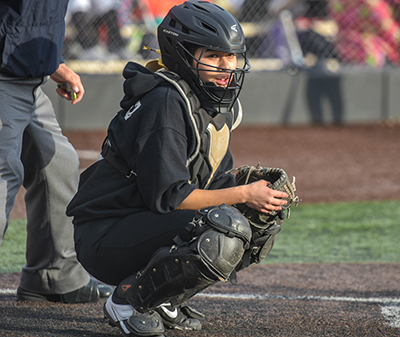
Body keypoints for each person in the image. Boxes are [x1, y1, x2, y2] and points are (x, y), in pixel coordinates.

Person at [66, 1, 288, 335]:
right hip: (106, 234)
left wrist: (252, 193)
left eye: (230, 56)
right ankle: (128, 300)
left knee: (256, 220)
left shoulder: (208, 103)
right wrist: (242, 192)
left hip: (140, 222)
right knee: (224, 228)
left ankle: (164, 297)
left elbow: (214, 183)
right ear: (182, 53)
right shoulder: (166, 102)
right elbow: (169, 198)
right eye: (213, 56)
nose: (227, 65)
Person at [0, 0, 113, 303]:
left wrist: (52, 63)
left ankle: (53, 277)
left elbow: (31, 15)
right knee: (2, 173)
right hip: (3, 77)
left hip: (26, 76)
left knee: (57, 164)